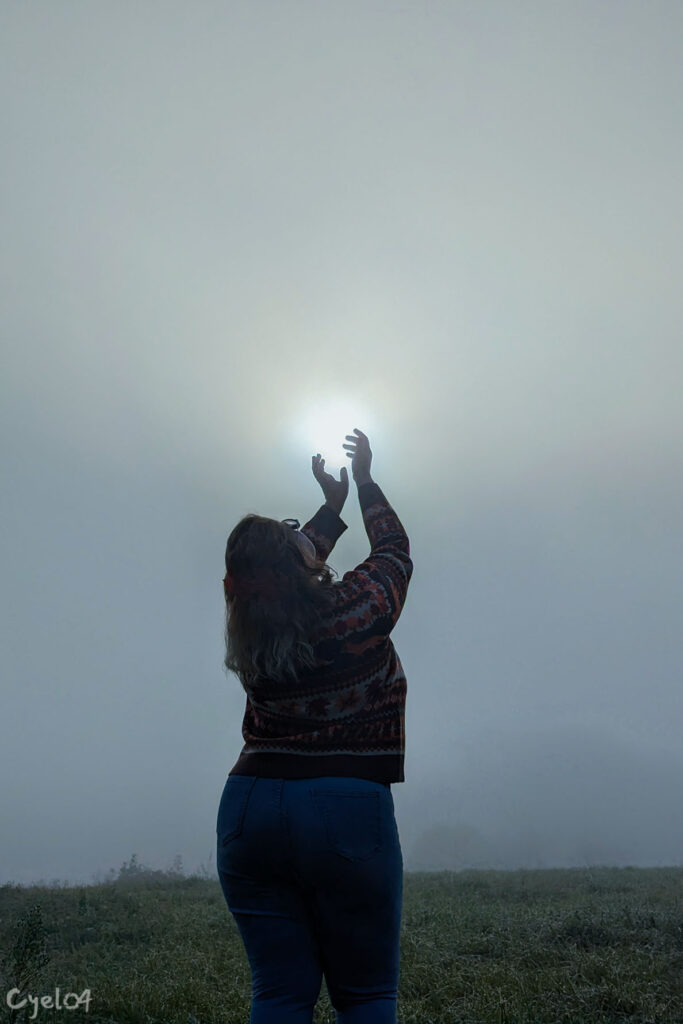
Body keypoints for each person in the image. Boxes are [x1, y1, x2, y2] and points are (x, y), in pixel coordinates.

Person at [216, 428, 413, 1023]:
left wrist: (328, 513)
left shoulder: (248, 624)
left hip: (249, 804)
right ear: (299, 566)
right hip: (344, 803)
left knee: (277, 996)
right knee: (366, 996)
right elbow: (395, 555)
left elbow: (275, 572)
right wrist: (365, 486)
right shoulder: (353, 610)